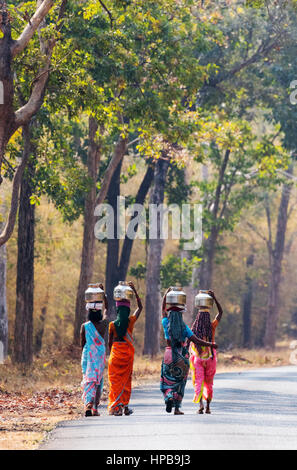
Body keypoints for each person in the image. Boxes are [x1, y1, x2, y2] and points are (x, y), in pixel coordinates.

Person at [160, 287, 217, 415]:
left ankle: (168, 396)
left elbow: (163, 310)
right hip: (182, 356)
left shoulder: (165, 322)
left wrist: (166, 295)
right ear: (181, 314)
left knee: (167, 380)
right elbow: (197, 341)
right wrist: (211, 344)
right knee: (180, 383)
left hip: (169, 354)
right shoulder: (185, 328)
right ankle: (176, 408)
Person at [108, 281, 142, 416]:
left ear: (117, 310)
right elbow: (140, 308)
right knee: (126, 380)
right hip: (127, 355)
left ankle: (115, 407)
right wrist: (134, 291)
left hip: (115, 354)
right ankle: (125, 406)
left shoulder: (112, 325)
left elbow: (110, 344)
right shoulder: (131, 321)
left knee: (115, 381)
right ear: (127, 311)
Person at [188, 290, 223, 415]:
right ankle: (208, 406)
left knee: (198, 381)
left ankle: (200, 405)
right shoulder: (211, 327)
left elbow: (189, 342)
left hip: (197, 357)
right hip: (210, 358)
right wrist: (214, 298)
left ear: (197, 318)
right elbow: (220, 313)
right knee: (209, 383)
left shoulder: (194, 329)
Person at [80, 284, 109, 417]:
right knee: (98, 381)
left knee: (88, 379)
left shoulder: (84, 326)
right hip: (99, 357)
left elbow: (83, 344)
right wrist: (103, 295)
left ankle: (88, 404)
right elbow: (107, 309)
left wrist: (87, 355)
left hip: (88, 356)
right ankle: (95, 408)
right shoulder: (104, 324)